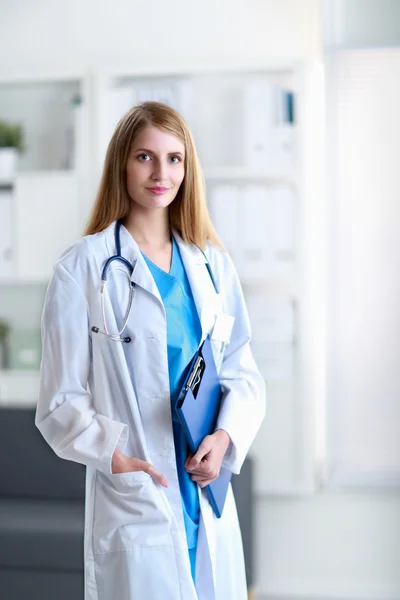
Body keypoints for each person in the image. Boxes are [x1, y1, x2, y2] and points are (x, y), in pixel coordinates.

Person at [35, 101, 265, 600]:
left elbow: (241, 372)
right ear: (122, 163)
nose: (162, 173)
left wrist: (225, 438)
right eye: (145, 157)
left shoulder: (212, 266)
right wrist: (115, 458)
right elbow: (59, 402)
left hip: (204, 490)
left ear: (189, 167)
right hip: (138, 493)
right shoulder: (84, 267)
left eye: (175, 158)